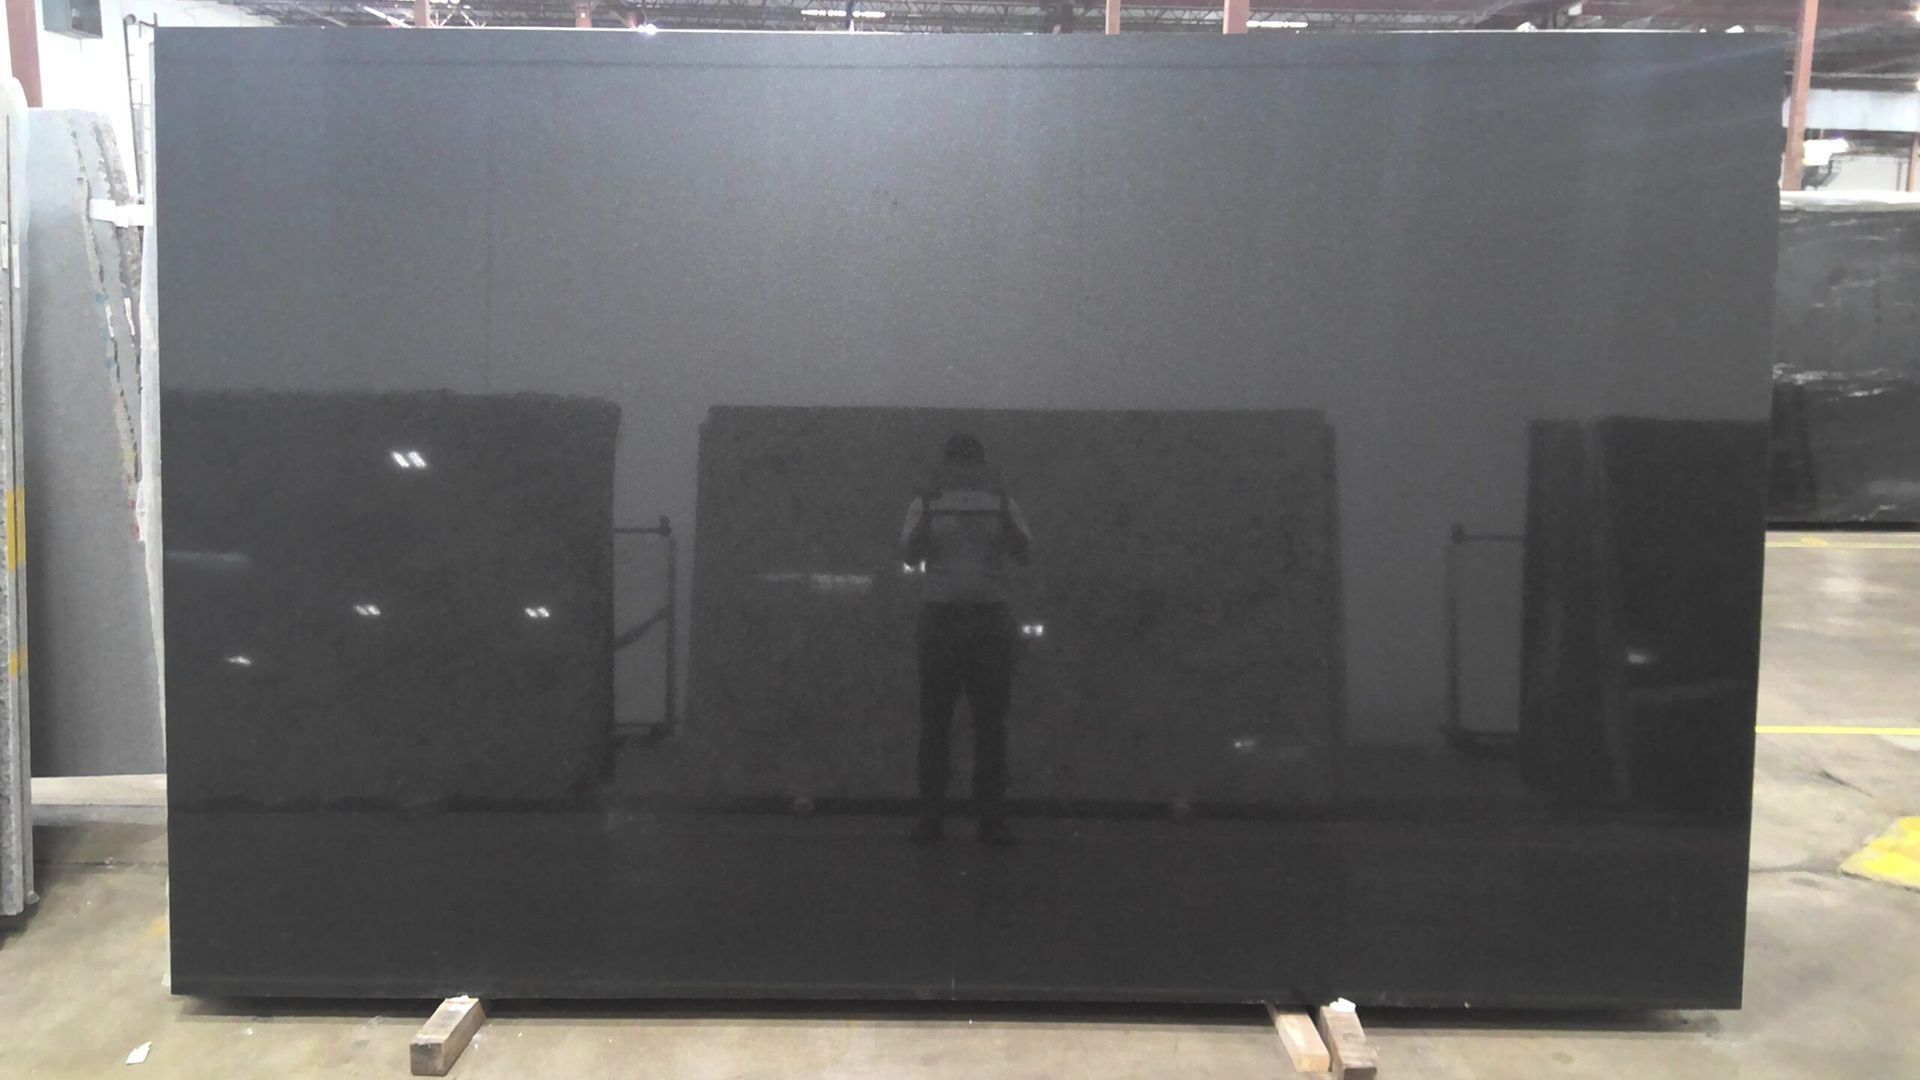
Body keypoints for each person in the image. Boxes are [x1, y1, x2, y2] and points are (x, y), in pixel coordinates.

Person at [898, 433, 1031, 846]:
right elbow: (909, 556)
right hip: (959, 617)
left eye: (967, 463)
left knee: (975, 724)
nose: (963, 471)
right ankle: (945, 815)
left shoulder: (996, 504)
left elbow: (1023, 552)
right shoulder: (930, 504)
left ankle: (973, 817)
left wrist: (1000, 508)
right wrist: (931, 508)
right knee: (955, 723)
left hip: (970, 617)